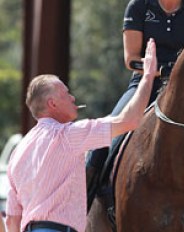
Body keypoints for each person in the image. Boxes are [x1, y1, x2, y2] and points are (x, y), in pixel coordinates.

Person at [5, 38, 157, 232]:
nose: (72, 98)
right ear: (52, 104)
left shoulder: (17, 152)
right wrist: (148, 77)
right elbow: (130, 120)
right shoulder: (68, 135)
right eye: (66, 94)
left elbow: (11, 221)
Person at [85, 0, 184, 208]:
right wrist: (161, 71)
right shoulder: (138, 6)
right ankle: (87, 205)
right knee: (107, 136)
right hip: (145, 84)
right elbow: (131, 59)